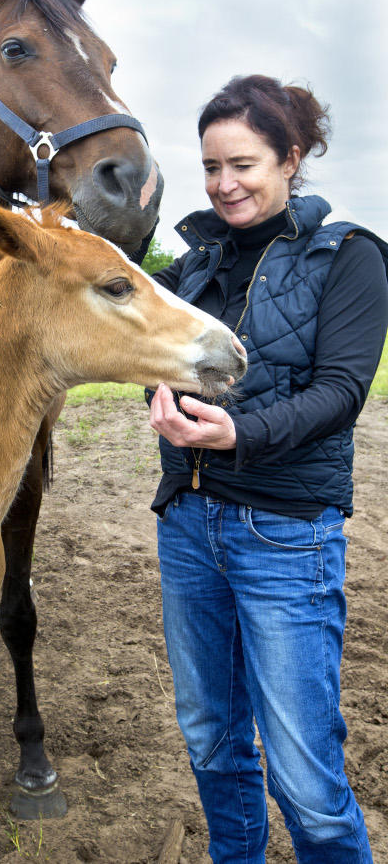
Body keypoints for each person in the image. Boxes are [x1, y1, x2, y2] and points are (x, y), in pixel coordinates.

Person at [147, 74, 388, 863]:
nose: (224, 184)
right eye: (211, 167)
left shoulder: (347, 256)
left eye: (242, 164)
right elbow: (162, 354)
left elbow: (341, 393)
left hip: (284, 535)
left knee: (305, 776)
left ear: (291, 159)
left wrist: (235, 436)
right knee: (212, 737)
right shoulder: (194, 264)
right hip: (188, 524)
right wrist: (161, 393)